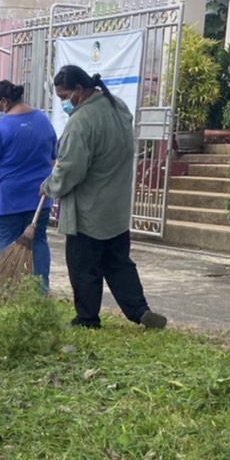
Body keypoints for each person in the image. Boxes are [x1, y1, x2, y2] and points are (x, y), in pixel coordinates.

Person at [44, 65, 167, 330]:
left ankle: (87, 319)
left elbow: (70, 169)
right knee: (118, 263)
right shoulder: (117, 106)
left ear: (79, 89)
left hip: (89, 210)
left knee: (83, 267)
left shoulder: (81, 122)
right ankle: (139, 311)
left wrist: (49, 186)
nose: (65, 103)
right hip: (116, 208)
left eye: (65, 97)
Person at [0, 79, 57, 292]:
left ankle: (10, 289)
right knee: (38, 241)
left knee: (8, 243)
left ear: (4, 102)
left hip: (7, 199)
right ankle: (40, 290)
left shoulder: (0, 128)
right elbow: (54, 155)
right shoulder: (42, 121)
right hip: (40, 197)